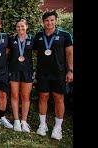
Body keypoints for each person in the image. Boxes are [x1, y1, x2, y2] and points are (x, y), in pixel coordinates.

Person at [33, 10, 73, 140]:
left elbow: (69, 54)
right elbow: (35, 53)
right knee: (43, 97)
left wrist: (70, 70)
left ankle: (57, 128)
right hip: (42, 73)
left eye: (51, 20)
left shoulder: (65, 35)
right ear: (43, 22)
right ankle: (42, 125)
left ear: (56, 20)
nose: (49, 22)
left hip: (59, 73)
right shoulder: (38, 35)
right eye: (46, 20)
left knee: (58, 98)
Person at [8, 19, 34, 132]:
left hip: (27, 71)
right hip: (14, 70)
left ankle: (24, 121)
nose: (20, 28)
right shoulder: (12, 40)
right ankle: (17, 121)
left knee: (25, 97)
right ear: (16, 28)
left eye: (22, 26)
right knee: (14, 95)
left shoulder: (32, 40)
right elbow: (6, 53)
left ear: (26, 27)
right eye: (18, 27)